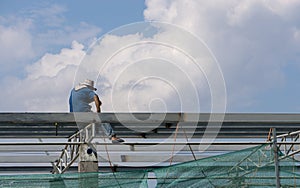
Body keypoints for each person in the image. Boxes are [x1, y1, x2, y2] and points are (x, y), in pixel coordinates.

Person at [69, 79, 124, 143]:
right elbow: (95, 97)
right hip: (84, 114)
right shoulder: (87, 90)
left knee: (85, 132)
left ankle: (84, 142)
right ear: (89, 87)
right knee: (102, 119)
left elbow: (79, 101)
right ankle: (112, 137)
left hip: (74, 116)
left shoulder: (74, 91)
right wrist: (98, 110)